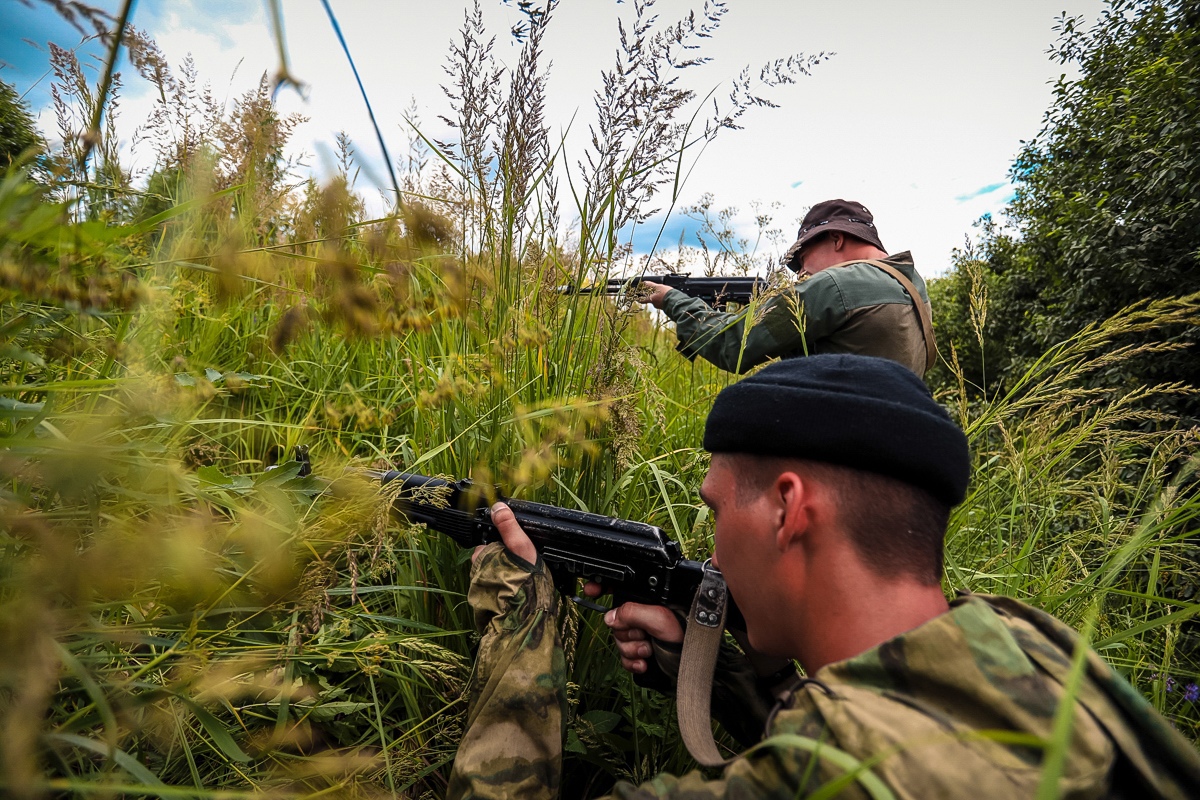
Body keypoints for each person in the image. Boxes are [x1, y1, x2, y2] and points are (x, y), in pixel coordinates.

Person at [446, 355, 1200, 799]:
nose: (711, 551)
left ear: (786, 509)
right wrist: (722, 680)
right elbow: (880, 721)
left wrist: (523, 626)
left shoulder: (820, 771)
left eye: (715, 511)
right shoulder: (1034, 645)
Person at [637, 200, 935, 376]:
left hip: (836, 451)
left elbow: (733, 346)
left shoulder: (835, 284)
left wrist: (672, 300)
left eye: (803, 259)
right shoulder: (911, 286)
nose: (802, 273)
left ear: (836, 239)